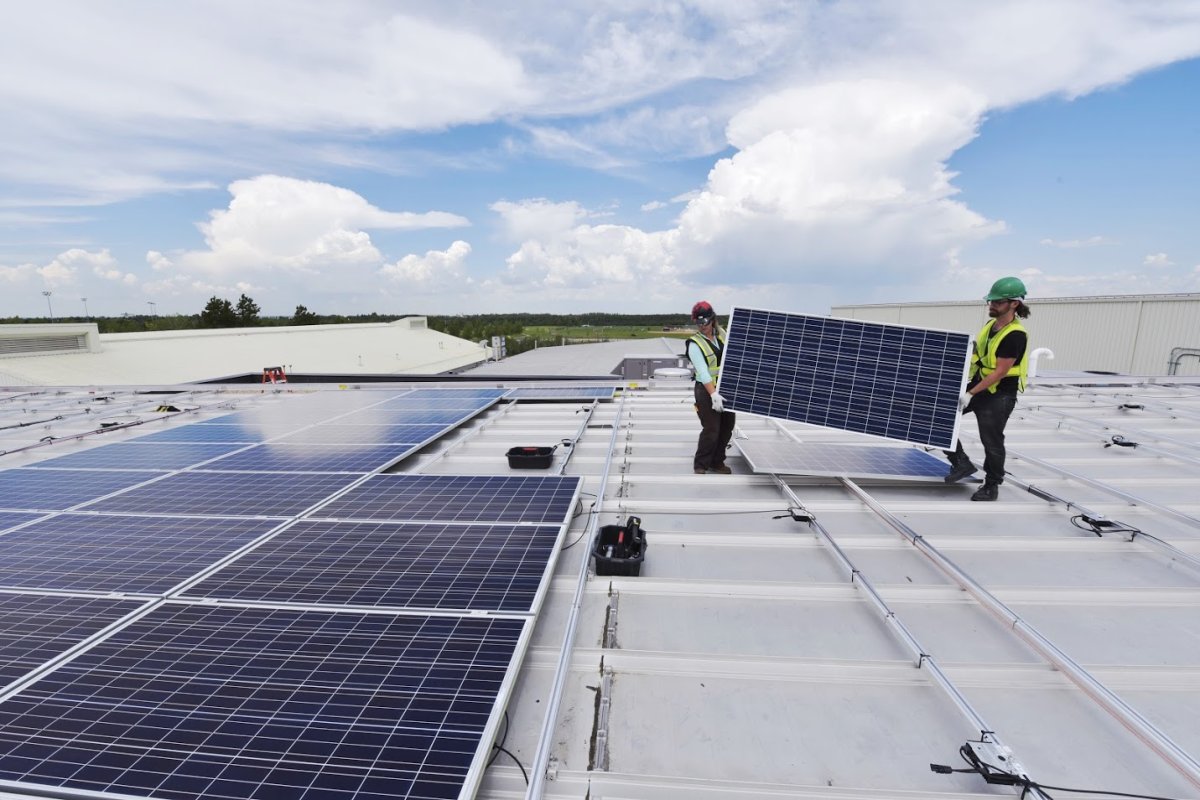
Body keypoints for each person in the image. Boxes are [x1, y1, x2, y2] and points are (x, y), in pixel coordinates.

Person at [944, 277, 1031, 501]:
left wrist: (970, 393)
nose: (991, 305)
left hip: (999, 394)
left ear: (1014, 303)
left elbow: (1000, 371)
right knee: (939, 416)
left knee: (991, 441)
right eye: (991, 301)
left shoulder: (1015, 335)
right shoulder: (990, 326)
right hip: (980, 384)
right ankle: (961, 463)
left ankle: (992, 486)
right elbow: (981, 355)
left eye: (998, 302)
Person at [686, 300, 736, 474]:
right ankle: (701, 464)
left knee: (727, 426)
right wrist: (713, 395)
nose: (702, 327)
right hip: (706, 391)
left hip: (725, 387)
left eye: (705, 322)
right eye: (699, 323)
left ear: (712, 319)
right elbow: (703, 372)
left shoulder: (721, 335)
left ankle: (717, 461)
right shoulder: (694, 344)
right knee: (711, 428)